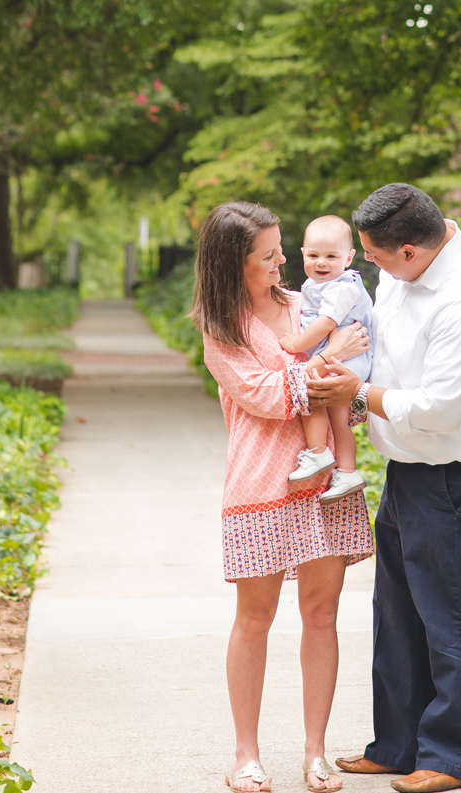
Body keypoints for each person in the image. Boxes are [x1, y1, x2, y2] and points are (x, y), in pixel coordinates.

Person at [308, 183, 461, 793]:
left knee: (455, 615)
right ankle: (398, 744)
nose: (367, 265)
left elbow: (439, 409)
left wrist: (352, 394)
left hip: (458, 476)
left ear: (409, 249)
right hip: (408, 469)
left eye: (374, 256)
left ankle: (456, 759)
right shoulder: (406, 269)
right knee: (397, 613)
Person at [192, 200, 374, 793]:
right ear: (232, 263)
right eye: (267, 255)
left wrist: (338, 365)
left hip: (324, 483)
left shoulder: (304, 306)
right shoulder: (220, 331)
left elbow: (347, 370)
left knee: (322, 615)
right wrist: (331, 358)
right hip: (263, 486)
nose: (280, 262)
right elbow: (268, 396)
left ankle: (315, 753)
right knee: (255, 619)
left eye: (279, 250)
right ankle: (247, 754)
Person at [278, 214, 375, 501]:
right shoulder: (321, 284)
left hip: (345, 358)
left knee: (311, 391)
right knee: (339, 416)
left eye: (331, 256)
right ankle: (347, 471)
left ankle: (318, 452)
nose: (321, 262)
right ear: (303, 254)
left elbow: (325, 324)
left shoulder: (342, 287)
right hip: (340, 358)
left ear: (349, 257)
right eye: (314, 255)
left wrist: (296, 343)